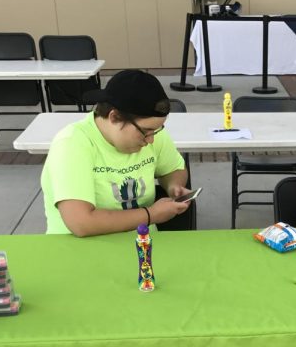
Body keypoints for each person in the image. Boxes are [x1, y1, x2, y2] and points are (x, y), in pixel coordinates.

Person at [41, 69, 193, 236]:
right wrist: (152, 214)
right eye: (145, 131)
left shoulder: (152, 133)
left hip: (142, 246)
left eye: (156, 130)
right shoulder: (72, 143)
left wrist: (173, 185)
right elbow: (81, 223)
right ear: (114, 117)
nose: (150, 140)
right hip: (81, 249)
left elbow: (173, 169)